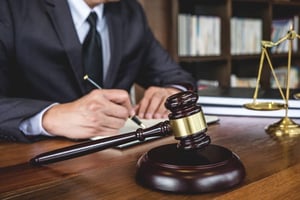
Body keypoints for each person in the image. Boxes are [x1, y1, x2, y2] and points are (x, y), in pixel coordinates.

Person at [0, 0, 196, 143]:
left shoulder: (130, 10)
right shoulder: (10, 7)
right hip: (29, 164)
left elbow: (176, 76)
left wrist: (171, 92)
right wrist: (49, 117)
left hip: (114, 158)